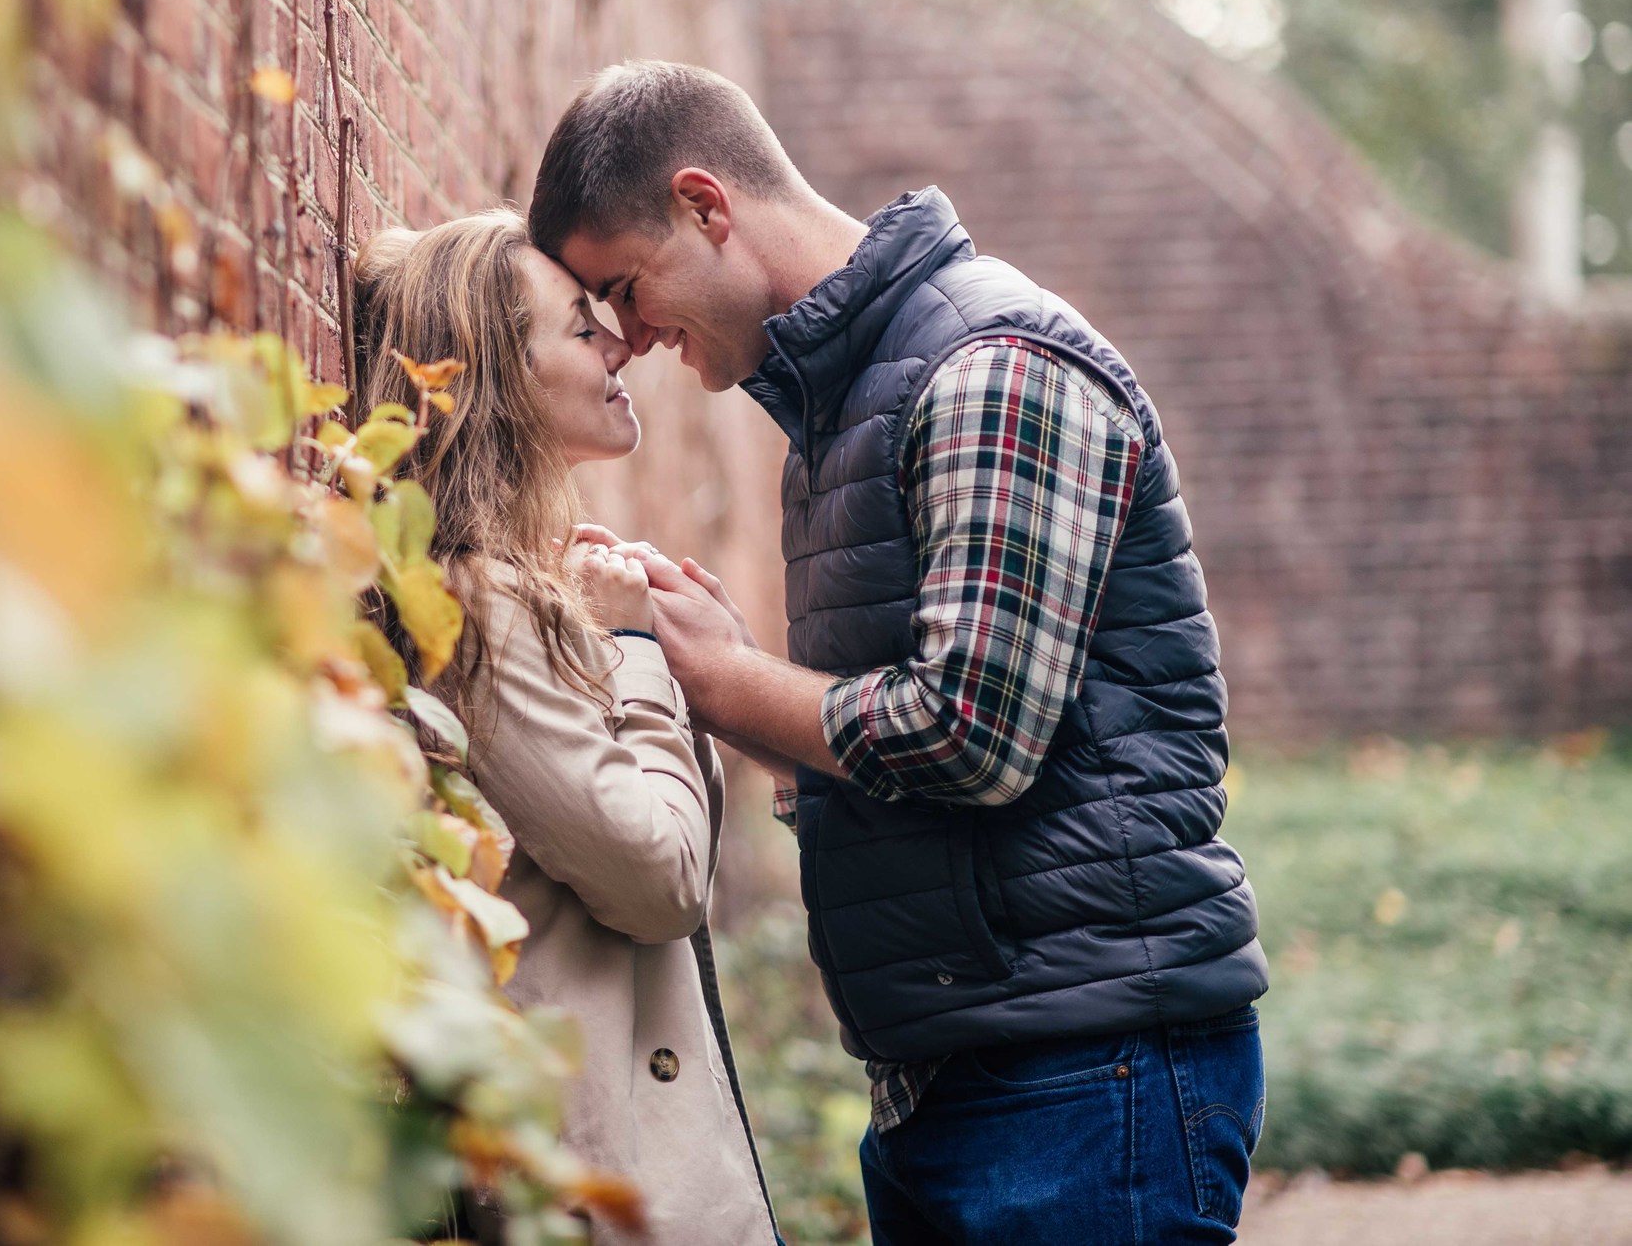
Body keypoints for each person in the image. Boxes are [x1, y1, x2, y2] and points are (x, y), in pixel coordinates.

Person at [527, 60, 1269, 1245]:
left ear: (706, 205)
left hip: (1085, 1078)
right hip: (959, 1075)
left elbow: (971, 735)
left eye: (625, 285)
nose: (629, 337)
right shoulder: (843, 403)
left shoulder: (990, 367)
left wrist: (720, 680)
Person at [351, 211, 778, 1246]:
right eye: (582, 330)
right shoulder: (481, 607)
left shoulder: (508, 594)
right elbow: (659, 878)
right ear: (500, 373)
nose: (622, 343)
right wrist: (632, 651)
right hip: (607, 1180)